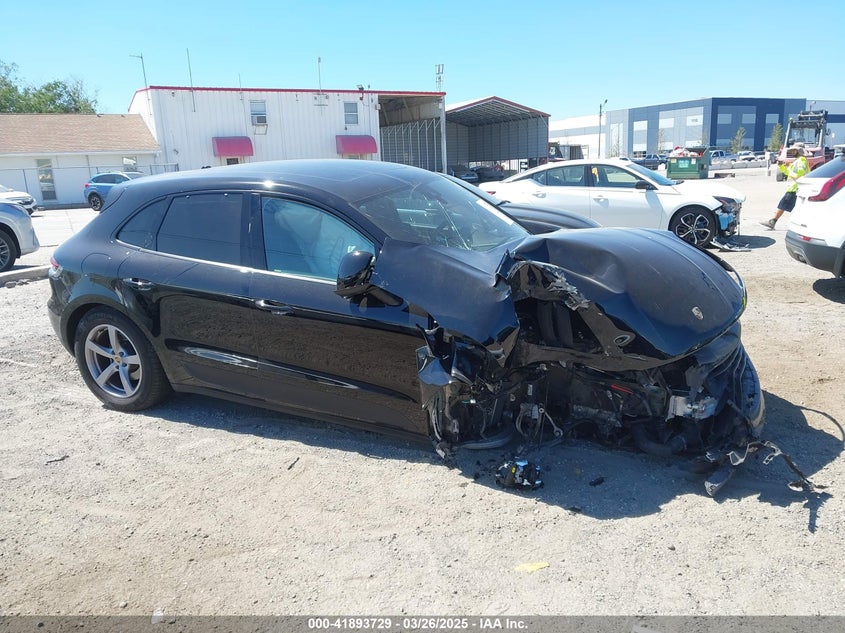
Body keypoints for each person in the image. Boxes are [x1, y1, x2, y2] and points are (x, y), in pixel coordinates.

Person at [761, 143, 810, 229]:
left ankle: (773, 221)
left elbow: (800, 173)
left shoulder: (801, 160)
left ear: (798, 151)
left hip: (795, 188)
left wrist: (789, 171)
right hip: (795, 188)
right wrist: (782, 166)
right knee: (793, 206)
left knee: (783, 204)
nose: (793, 152)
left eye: (794, 150)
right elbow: (789, 172)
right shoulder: (799, 160)